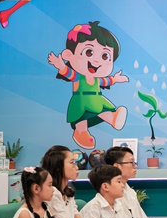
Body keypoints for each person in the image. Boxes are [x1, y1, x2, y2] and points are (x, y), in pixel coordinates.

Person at [47, 21, 129, 150]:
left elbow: (105, 81)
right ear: (69, 55)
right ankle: (81, 133)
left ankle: (113, 119)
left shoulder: (96, 80)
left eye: (105, 56)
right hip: (81, 100)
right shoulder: (79, 77)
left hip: (97, 99)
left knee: (102, 111)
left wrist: (115, 79)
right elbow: (68, 72)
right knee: (81, 118)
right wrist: (60, 65)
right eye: (89, 52)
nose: (96, 60)